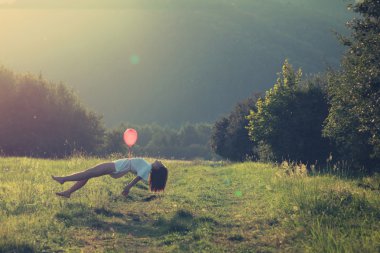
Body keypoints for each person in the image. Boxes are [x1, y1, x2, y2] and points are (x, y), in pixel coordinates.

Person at [52, 158, 168, 198]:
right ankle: (68, 192)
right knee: (88, 175)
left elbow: (137, 177)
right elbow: (134, 169)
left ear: (158, 168)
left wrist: (128, 187)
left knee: (87, 173)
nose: (160, 161)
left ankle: (63, 179)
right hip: (116, 167)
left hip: (115, 167)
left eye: (161, 164)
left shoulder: (148, 167)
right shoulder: (147, 166)